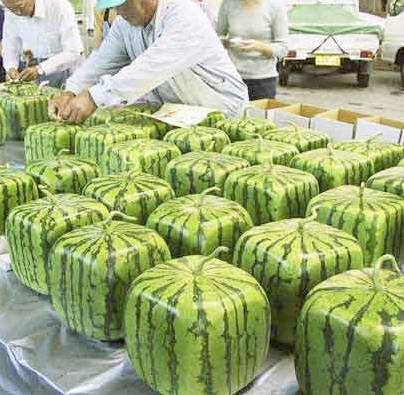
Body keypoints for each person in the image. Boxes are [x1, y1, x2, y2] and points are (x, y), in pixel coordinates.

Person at [50, 0, 248, 125]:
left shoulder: (183, 13)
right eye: (115, 7)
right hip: (181, 116)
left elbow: (150, 67)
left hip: (222, 113)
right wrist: (72, 90)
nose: (119, 12)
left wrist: (94, 97)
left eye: (123, 4)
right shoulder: (124, 25)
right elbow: (100, 61)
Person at [2, 0, 84, 88]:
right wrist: (10, 67)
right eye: (11, 9)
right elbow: (10, 47)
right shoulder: (10, 12)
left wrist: (40, 69)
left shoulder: (59, 6)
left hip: (63, 70)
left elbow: (74, 51)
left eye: (20, 6)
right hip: (31, 68)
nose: (17, 12)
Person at [217, 0, 288, 100]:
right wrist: (227, 43)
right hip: (233, 77)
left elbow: (283, 49)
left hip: (263, 80)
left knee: (259, 115)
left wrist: (259, 46)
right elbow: (216, 37)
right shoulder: (228, 4)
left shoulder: (275, 6)